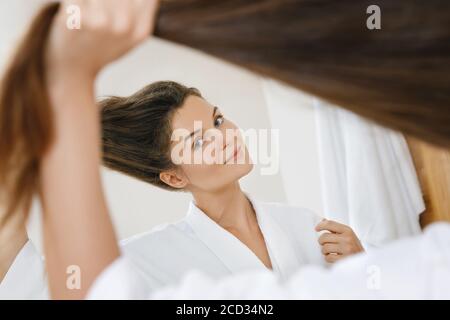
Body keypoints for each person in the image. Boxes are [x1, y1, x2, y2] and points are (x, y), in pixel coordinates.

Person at [0, 0, 449, 299]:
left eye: (217, 119)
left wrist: (364, 266)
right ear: (175, 176)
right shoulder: (149, 257)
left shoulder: (307, 225)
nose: (224, 135)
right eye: (198, 140)